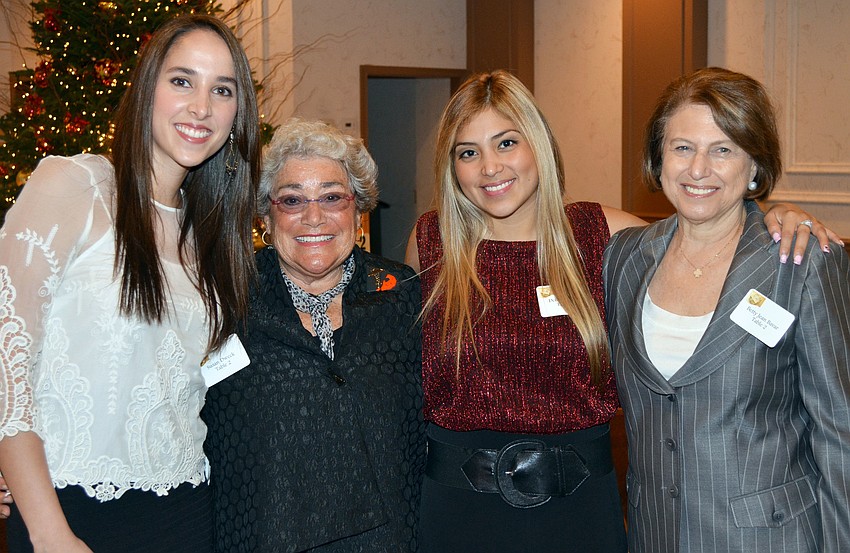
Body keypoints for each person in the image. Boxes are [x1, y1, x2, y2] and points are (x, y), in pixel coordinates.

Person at [404, 69, 837, 552]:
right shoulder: (432, 242)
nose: (490, 167)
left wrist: (779, 214)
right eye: (468, 152)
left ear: (539, 145)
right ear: (452, 166)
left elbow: (703, 228)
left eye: (506, 143)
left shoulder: (603, 236)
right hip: (458, 510)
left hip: (579, 509)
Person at [0, 14, 260, 553]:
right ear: (147, 89)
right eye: (182, 80)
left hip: (187, 512)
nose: (201, 107)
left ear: (237, 115)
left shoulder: (214, 234)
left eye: (222, 90)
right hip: (69, 514)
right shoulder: (76, 186)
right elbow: (7, 359)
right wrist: (48, 531)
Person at [603, 67, 850, 552]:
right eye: (682, 147)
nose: (698, 169)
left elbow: (839, 429)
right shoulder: (623, 257)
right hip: (655, 535)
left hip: (769, 540)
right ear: (658, 158)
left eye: (723, 149)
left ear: (754, 163)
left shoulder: (800, 262)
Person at [201, 118, 425, 553]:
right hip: (263, 537)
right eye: (292, 200)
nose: (314, 216)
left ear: (358, 211)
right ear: (266, 217)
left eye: (332, 197)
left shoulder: (403, 296)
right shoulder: (224, 298)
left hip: (389, 540)